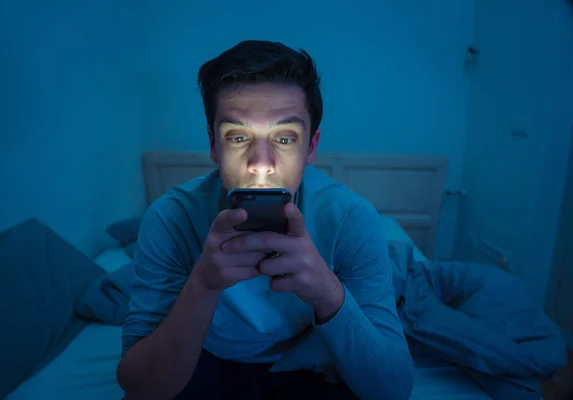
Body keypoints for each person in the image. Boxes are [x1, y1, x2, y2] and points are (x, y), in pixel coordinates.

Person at [116, 40, 414, 400]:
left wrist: (327, 291)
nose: (261, 163)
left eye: (285, 138)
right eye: (238, 136)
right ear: (213, 144)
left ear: (311, 147)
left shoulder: (350, 218)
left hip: (307, 361)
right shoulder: (169, 218)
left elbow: (394, 390)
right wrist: (203, 286)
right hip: (204, 358)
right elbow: (140, 388)